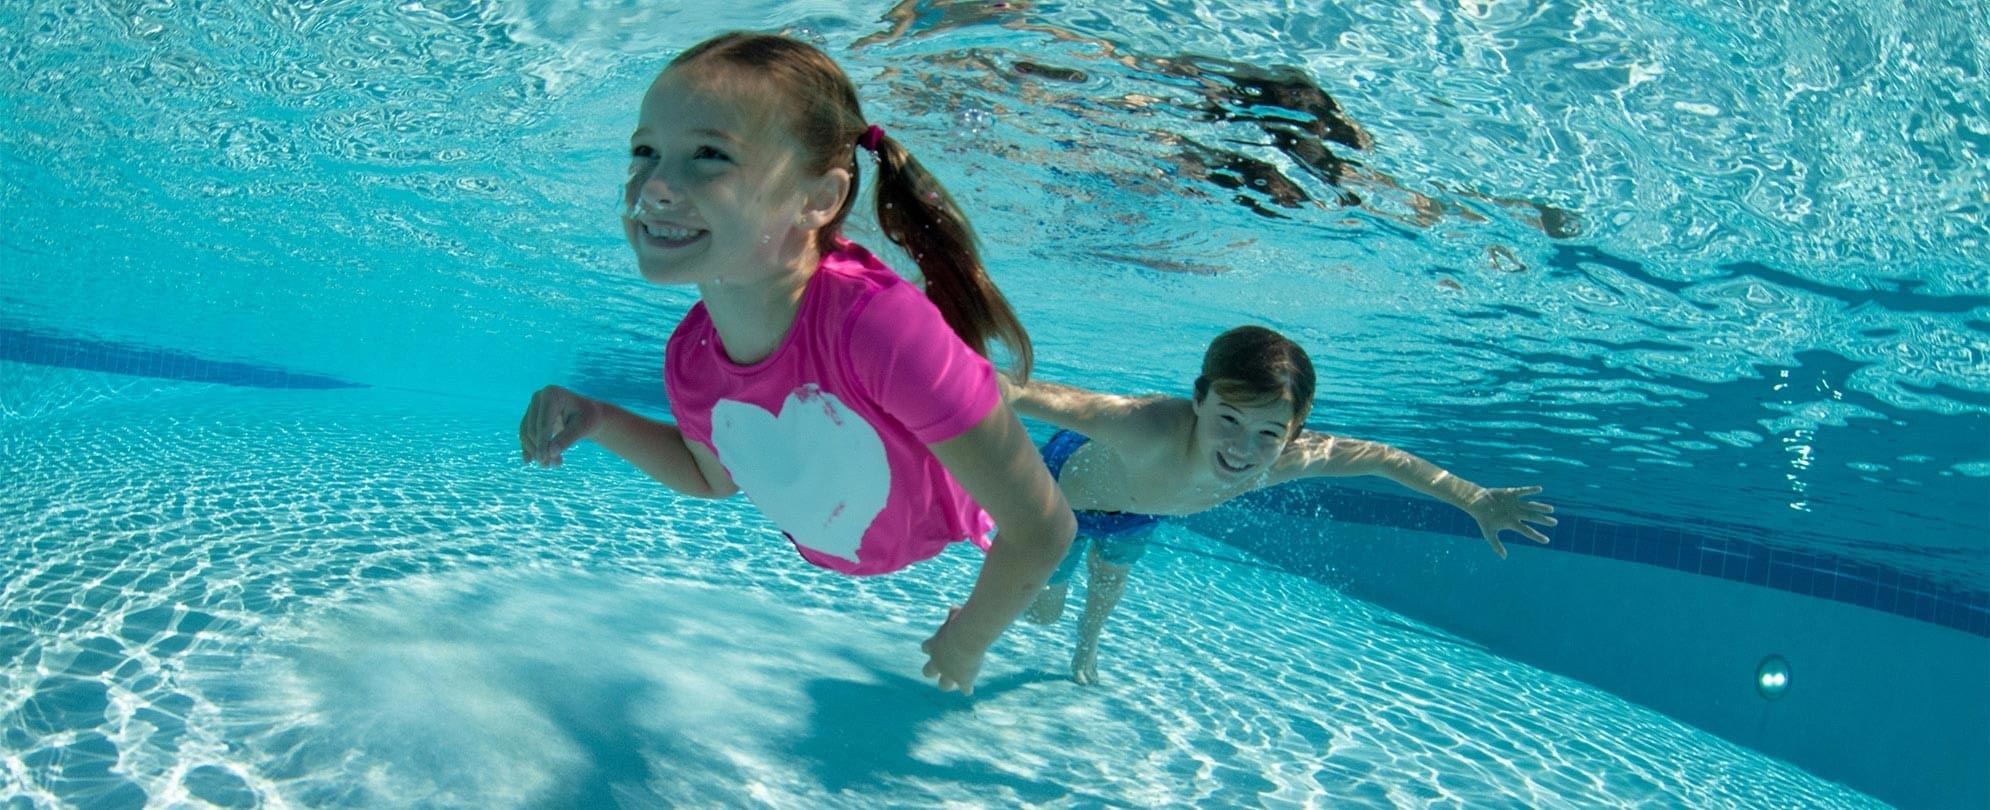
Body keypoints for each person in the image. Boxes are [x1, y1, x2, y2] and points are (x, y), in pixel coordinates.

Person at [517, 32, 1076, 697]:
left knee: (1051, 549)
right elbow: (711, 477)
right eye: (644, 150)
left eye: (708, 155)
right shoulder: (691, 360)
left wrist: (970, 639)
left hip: (949, 531)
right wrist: (598, 419)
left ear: (817, 198)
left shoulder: (880, 331)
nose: (657, 186)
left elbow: (1044, 527)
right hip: (847, 533)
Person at [1004, 326, 1555, 684]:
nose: (1244, 451)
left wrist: (1475, 498)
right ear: (1199, 398)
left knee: (1110, 582)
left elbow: (1387, 459)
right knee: (1044, 610)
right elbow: (1016, 391)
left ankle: (1088, 646)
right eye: (1229, 420)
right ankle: (1040, 607)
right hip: (1066, 503)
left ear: (1294, 431)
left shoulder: (1284, 457)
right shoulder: (1143, 427)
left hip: (1145, 510)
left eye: (1270, 432)